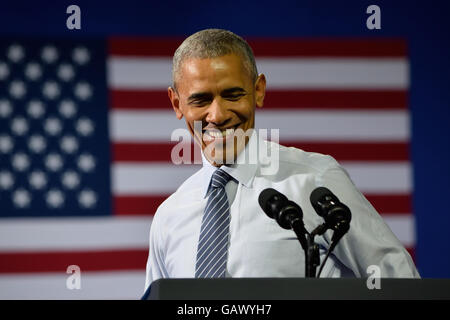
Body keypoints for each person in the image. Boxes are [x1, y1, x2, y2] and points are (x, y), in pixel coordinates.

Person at [144, 29, 419, 290]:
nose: (217, 115)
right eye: (200, 100)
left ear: (259, 90)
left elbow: (399, 282)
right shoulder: (168, 217)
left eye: (233, 94)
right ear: (177, 104)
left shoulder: (314, 181)